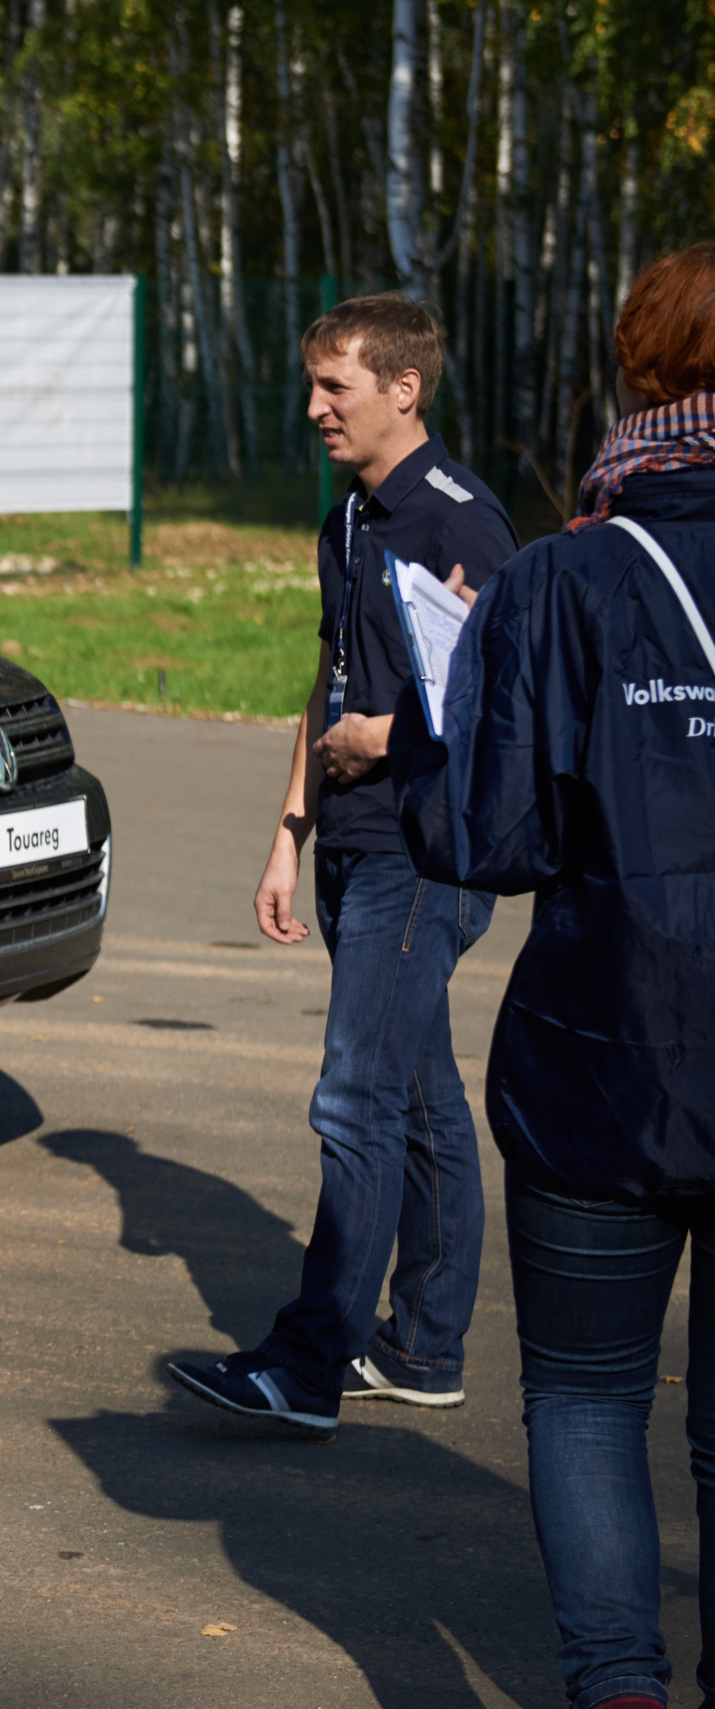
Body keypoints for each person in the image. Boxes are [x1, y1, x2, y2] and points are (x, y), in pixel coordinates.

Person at [400, 241, 715, 1709]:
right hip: (618, 1058)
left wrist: (428, 733)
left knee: (588, 1398)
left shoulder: (566, 575)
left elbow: (488, 839)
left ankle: (618, 1688)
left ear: (638, 365)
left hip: (606, 1056)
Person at [169, 294, 517, 1440]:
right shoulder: (348, 520)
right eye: (313, 384)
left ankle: (309, 1362)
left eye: (336, 387)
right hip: (352, 846)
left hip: (423, 855)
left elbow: (496, 709)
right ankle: (420, 1347)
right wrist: (288, 829)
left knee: (354, 1098)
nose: (314, 407)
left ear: (402, 391)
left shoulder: (459, 522)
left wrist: (392, 743)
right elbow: (329, 684)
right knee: (414, 1098)